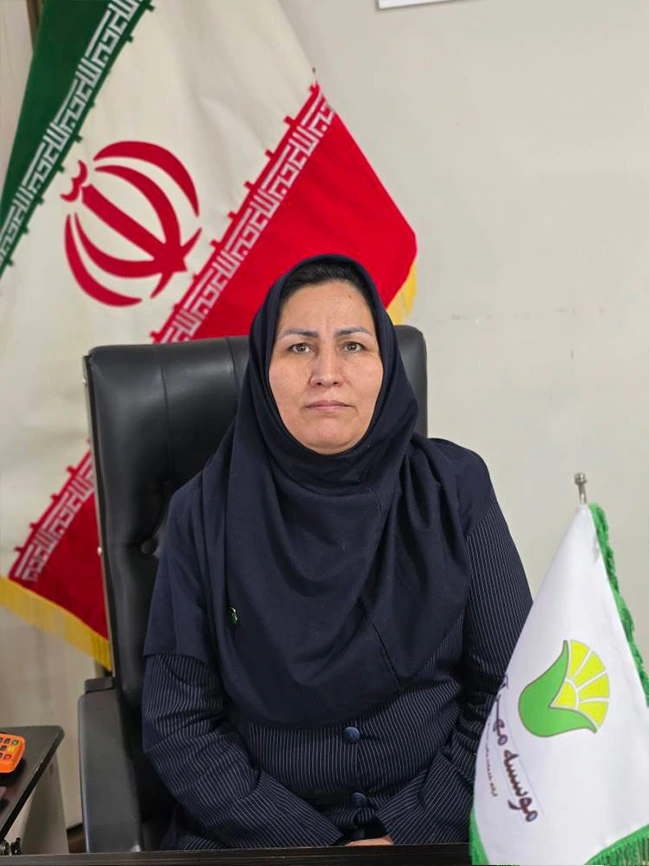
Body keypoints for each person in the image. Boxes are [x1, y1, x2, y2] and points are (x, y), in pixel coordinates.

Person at [142, 254, 532, 849]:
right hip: (255, 840)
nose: (327, 372)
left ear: (386, 367)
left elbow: (509, 687)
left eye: (353, 346)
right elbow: (179, 723)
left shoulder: (454, 487)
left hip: (442, 827)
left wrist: (411, 830)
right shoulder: (202, 512)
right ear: (264, 372)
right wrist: (315, 850)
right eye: (299, 347)